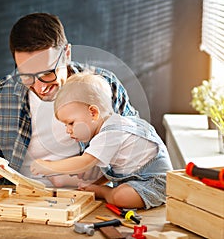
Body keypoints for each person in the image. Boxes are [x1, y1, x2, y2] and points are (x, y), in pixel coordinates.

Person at [0, 13, 138, 186]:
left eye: (48, 73)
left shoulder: (105, 87)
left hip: (90, 199)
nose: (40, 87)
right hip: (18, 203)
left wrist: (101, 177)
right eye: (26, 76)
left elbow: (136, 144)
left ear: (66, 54)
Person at [30, 73, 173, 209]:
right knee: (105, 176)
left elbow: (84, 162)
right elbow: (113, 169)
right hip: (133, 179)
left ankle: (105, 193)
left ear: (93, 113)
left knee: (120, 197)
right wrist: (96, 182)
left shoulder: (110, 133)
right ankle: (99, 188)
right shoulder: (112, 126)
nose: (68, 130)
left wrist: (50, 166)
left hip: (155, 183)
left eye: (71, 123)